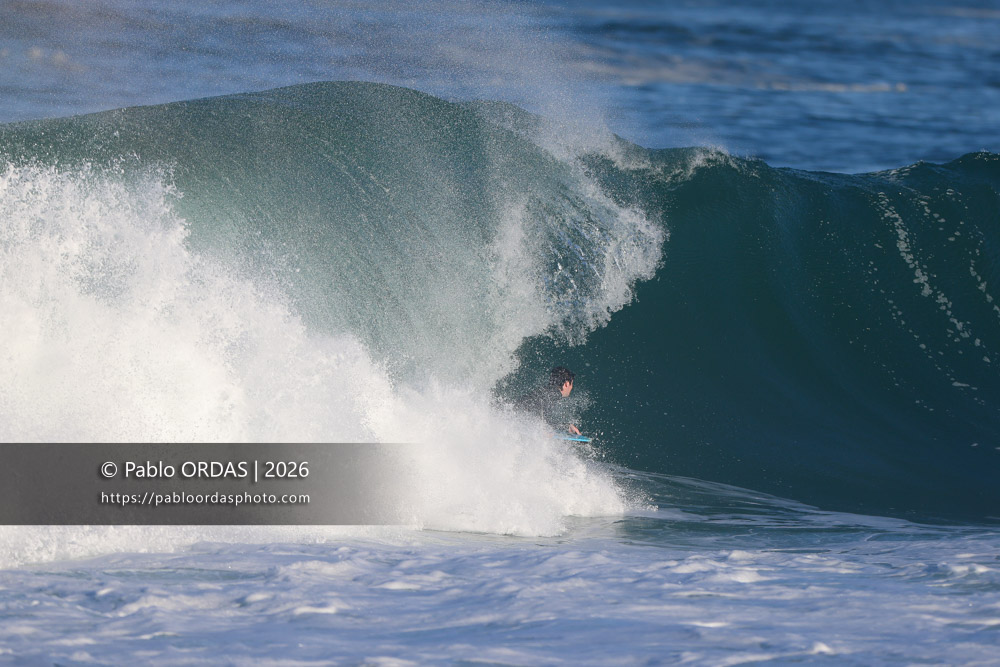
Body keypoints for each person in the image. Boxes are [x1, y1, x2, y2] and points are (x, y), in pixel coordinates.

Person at [514, 366, 582, 436]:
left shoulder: (546, 390)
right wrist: (543, 429)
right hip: (519, 417)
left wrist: (566, 426)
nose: (571, 387)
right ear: (566, 384)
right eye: (572, 384)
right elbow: (537, 407)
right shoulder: (554, 394)